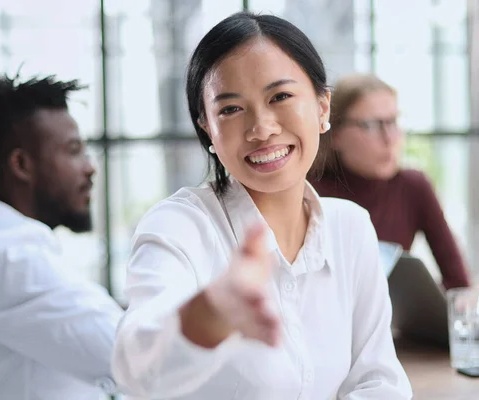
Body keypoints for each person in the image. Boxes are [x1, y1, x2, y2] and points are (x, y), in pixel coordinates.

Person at [112, 11, 412, 400]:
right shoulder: (178, 226)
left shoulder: (351, 227)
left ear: (323, 109)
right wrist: (208, 316)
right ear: (208, 129)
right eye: (231, 109)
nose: (261, 128)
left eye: (281, 97)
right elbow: (135, 367)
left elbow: (379, 381)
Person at [0, 73, 124, 400]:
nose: (90, 168)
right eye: (73, 150)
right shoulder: (8, 260)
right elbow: (136, 353)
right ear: (22, 165)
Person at [310, 73, 470, 290]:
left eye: (393, 121)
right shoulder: (308, 190)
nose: (389, 138)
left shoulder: (413, 186)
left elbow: (459, 284)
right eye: (371, 125)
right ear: (335, 133)